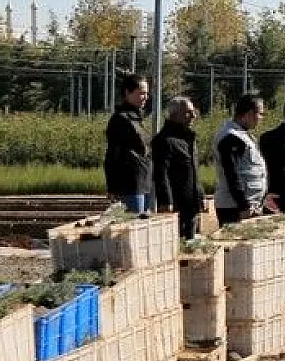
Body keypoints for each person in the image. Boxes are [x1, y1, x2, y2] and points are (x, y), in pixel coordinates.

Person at [152, 96, 204, 238]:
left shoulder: (188, 139)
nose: (193, 116)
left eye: (193, 112)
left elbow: (193, 171)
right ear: (174, 115)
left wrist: (200, 195)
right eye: (188, 112)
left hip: (191, 204)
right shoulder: (165, 140)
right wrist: (165, 201)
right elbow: (161, 173)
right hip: (176, 205)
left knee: (190, 243)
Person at [214, 94, 270, 224]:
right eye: (260, 114)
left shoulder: (243, 134)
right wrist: (243, 205)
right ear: (250, 113)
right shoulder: (231, 137)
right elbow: (232, 174)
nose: (261, 118)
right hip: (235, 207)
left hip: (247, 205)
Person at [103, 72, 152, 213]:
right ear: (127, 93)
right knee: (133, 224)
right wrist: (112, 187)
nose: (145, 98)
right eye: (141, 93)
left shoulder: (138, 119)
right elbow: (112, 154)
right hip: (130, 184)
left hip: (145, 181)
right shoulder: (120, 119)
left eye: (146, 93)